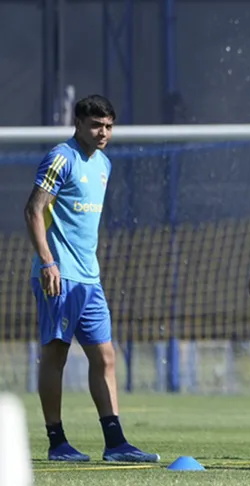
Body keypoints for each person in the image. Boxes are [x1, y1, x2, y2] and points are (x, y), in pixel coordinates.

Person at [24, 95, 160, 463]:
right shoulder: (60, 157)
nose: (104, 133)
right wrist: (48, 262)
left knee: (105, 356)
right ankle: (57, 442)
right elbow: (34, 210)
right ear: (79, 124)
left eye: (109, 126)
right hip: (60, 275)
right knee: (56, 355)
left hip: (89, 278)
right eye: (97, 125)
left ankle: (116, 443)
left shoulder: (103, 164)